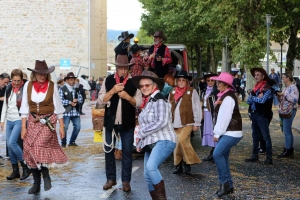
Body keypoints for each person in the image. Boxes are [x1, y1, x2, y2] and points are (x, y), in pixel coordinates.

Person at [19, 60, 68, 194]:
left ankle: (45, 174)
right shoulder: (28, 85)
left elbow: (58, 108)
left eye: (44, 74)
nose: (42, 76)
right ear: (34, 73)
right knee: (29, 149)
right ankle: (36, 183)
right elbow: (24, 107)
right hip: (32, 120)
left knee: (38, 145)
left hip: (48, 120)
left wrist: (62, 127)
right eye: (39, 73)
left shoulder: (52, 86)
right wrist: (24, 127)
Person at [98, 55, 142, 192]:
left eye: (124, 68)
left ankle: (126, 181)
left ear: (128, 68)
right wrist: (112, 91)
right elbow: (101, 100)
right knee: (109, 151)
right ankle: (111, 179)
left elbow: (139, 103)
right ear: (116, 68)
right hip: (110, 123)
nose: (122, 71)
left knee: (127, 152)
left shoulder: (134, 82)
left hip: (127, 123)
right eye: (119, 68)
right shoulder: (109, 80)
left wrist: (128, 97)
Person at [132, 70, 176, 199]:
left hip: (164, 140)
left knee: (151, 168)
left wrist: (140, 133)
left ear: (154, 86)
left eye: (147, 85)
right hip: (151, 142)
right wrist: (140, 142)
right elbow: (146, 125)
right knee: (147, 174)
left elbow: (161, 122)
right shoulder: (150, 101)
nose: (144, 88)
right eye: (142, 86)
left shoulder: (159, 100)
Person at [209, 72, 242, 197]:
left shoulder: (228, 98)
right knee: (223, 158)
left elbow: (224, 118)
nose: (217, 84)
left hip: (231, 132)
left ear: (226, 84)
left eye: (219, 82)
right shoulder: (224, 96)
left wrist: (217, 133)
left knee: (217, 154)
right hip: (229, 131)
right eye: (217, 82)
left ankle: (224, 184)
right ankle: (229, 185)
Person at [168, 70, 201, 175]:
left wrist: (197, 122)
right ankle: (179, 165)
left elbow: (196, 107)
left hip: (188, 122)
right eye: (179, 80)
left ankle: (189, 162)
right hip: (174, 123)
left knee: (182, 141)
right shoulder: (172, 92)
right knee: (177, 144)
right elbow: (168, 107)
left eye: (183, 80)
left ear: (187, 82)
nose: (181, 82)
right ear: (177, 81)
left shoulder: (192, 91)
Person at [0, 69, 31, 180]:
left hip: (19, 119)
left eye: (19, 80)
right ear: (11, 79)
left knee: (13, 142)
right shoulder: (8, 88)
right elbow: (5, 105)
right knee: (9, 145)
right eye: (14, 80)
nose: (16, 83)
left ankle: (25, 166)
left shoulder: (25, 88)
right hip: (9, 120)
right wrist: (2, 120)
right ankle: (15, 171)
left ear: (22, 79)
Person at [245, 68, 274, 165]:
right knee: (255, 136)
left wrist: (253, 97)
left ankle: (269, 158)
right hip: (254, 113)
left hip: (262, 115)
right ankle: (255, 155)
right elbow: (248, 101)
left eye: (258, 75)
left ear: (263, 76)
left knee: (265, 136)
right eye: (255, 75)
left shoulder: (267, 89)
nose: (256, 77)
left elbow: (262, 101)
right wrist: (255, 97)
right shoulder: (256, 88)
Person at [276, 72, 299, 158]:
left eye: (283, 77)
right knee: (287, 130)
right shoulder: (286, 88)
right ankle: (289, 149)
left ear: (288, 78)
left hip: (290, 110)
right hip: (285, 110)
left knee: (286, 130)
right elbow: (283, 100)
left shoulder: (293, 88)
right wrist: (279, 97)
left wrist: (284, 94)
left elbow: (294, 99)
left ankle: (287, 149)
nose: (282, 79)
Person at [59, 72, 83, 147]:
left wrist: (77, 100)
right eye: (71, 79)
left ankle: (72, 142)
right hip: (66, 112)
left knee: (78, 127)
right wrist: (69, 102)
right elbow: (60, 101)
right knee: (64, 128)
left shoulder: (76, 89)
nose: (73, 81)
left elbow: (81, 98)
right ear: (67, 80)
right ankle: (63, 143)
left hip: (75, 112)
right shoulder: (62, 89)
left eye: (73, 79)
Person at [201, 72, 219, 162]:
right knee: (209, 132)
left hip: (213, 114)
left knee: (214, 132)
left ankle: (214, 153)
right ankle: (213, 152)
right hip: (206, 113)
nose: (210, 82)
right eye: (208, 80)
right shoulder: (205, 90)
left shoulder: (217, 91)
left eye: (212, 80)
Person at [0, 73, 10, 162]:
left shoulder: (5, 89)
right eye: (5, 82)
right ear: (0, 79)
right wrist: (4, 98)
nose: (6, 84)